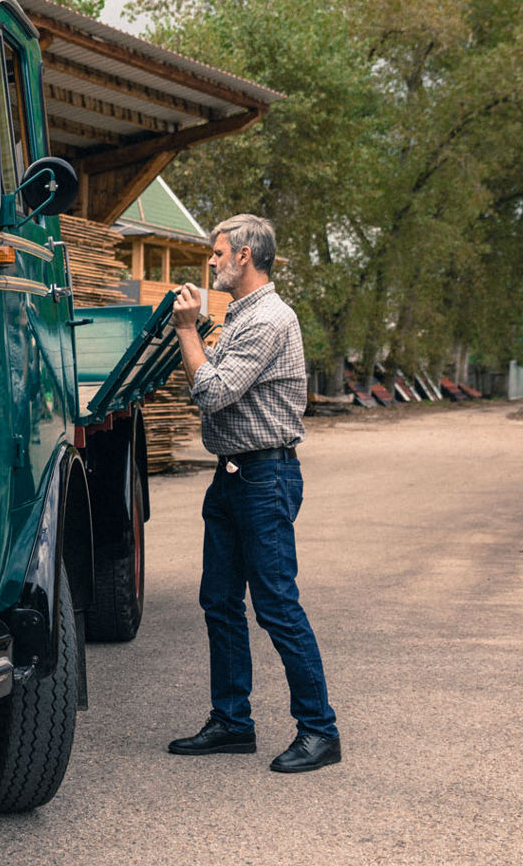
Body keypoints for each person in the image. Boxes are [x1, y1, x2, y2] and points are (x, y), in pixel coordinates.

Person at [164, 213, 340, 774]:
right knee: (219, 601)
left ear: (245, 257)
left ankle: (319, 730)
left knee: (277, 607)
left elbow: (212, 392)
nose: (211, 261)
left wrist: (189, 330)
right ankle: (232, 723)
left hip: (265, 479)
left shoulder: (268, 319)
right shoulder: (238, 317)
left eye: (218, 253)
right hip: (234, 475)